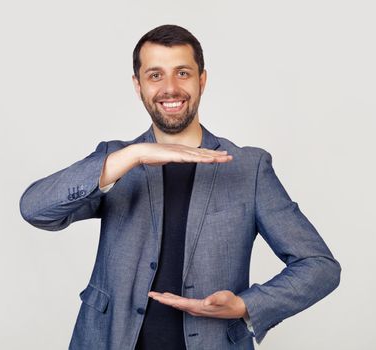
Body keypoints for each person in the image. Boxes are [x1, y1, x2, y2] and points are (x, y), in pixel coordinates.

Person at [19, 24, 341, 350]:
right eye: (155, 75)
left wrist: (246, 306)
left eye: (182, 73)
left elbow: (319, 267)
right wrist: (134, 154)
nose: (170, 88)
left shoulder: (249, 168)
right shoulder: (117, 160)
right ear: (138, 85)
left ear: (202, 80)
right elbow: (34, 209)